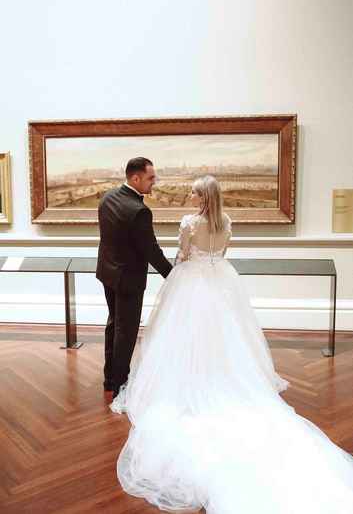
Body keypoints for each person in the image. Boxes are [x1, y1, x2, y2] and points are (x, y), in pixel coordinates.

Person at [113, 175, 353, 513]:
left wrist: (183, 264)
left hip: (192, 281)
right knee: (228, 335)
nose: (190, 195)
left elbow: (182, 255)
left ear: (204, 196)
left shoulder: (189, 223)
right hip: (221, 279)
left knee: (184, 335)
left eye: (195, 192)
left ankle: (193, 380)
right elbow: (223, 251)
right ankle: (223, 375)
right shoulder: (225, 221)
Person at [96, 157, 172, 401]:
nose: (154, 182)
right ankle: (120, 386)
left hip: (108, 274)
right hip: (128, 280)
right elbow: (151, 251)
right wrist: (174, 275)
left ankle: (110, 379)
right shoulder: (139, 211)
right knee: (125, 332)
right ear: (135, 178)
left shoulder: (107, 198)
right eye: (150, 178)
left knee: (113, 326)